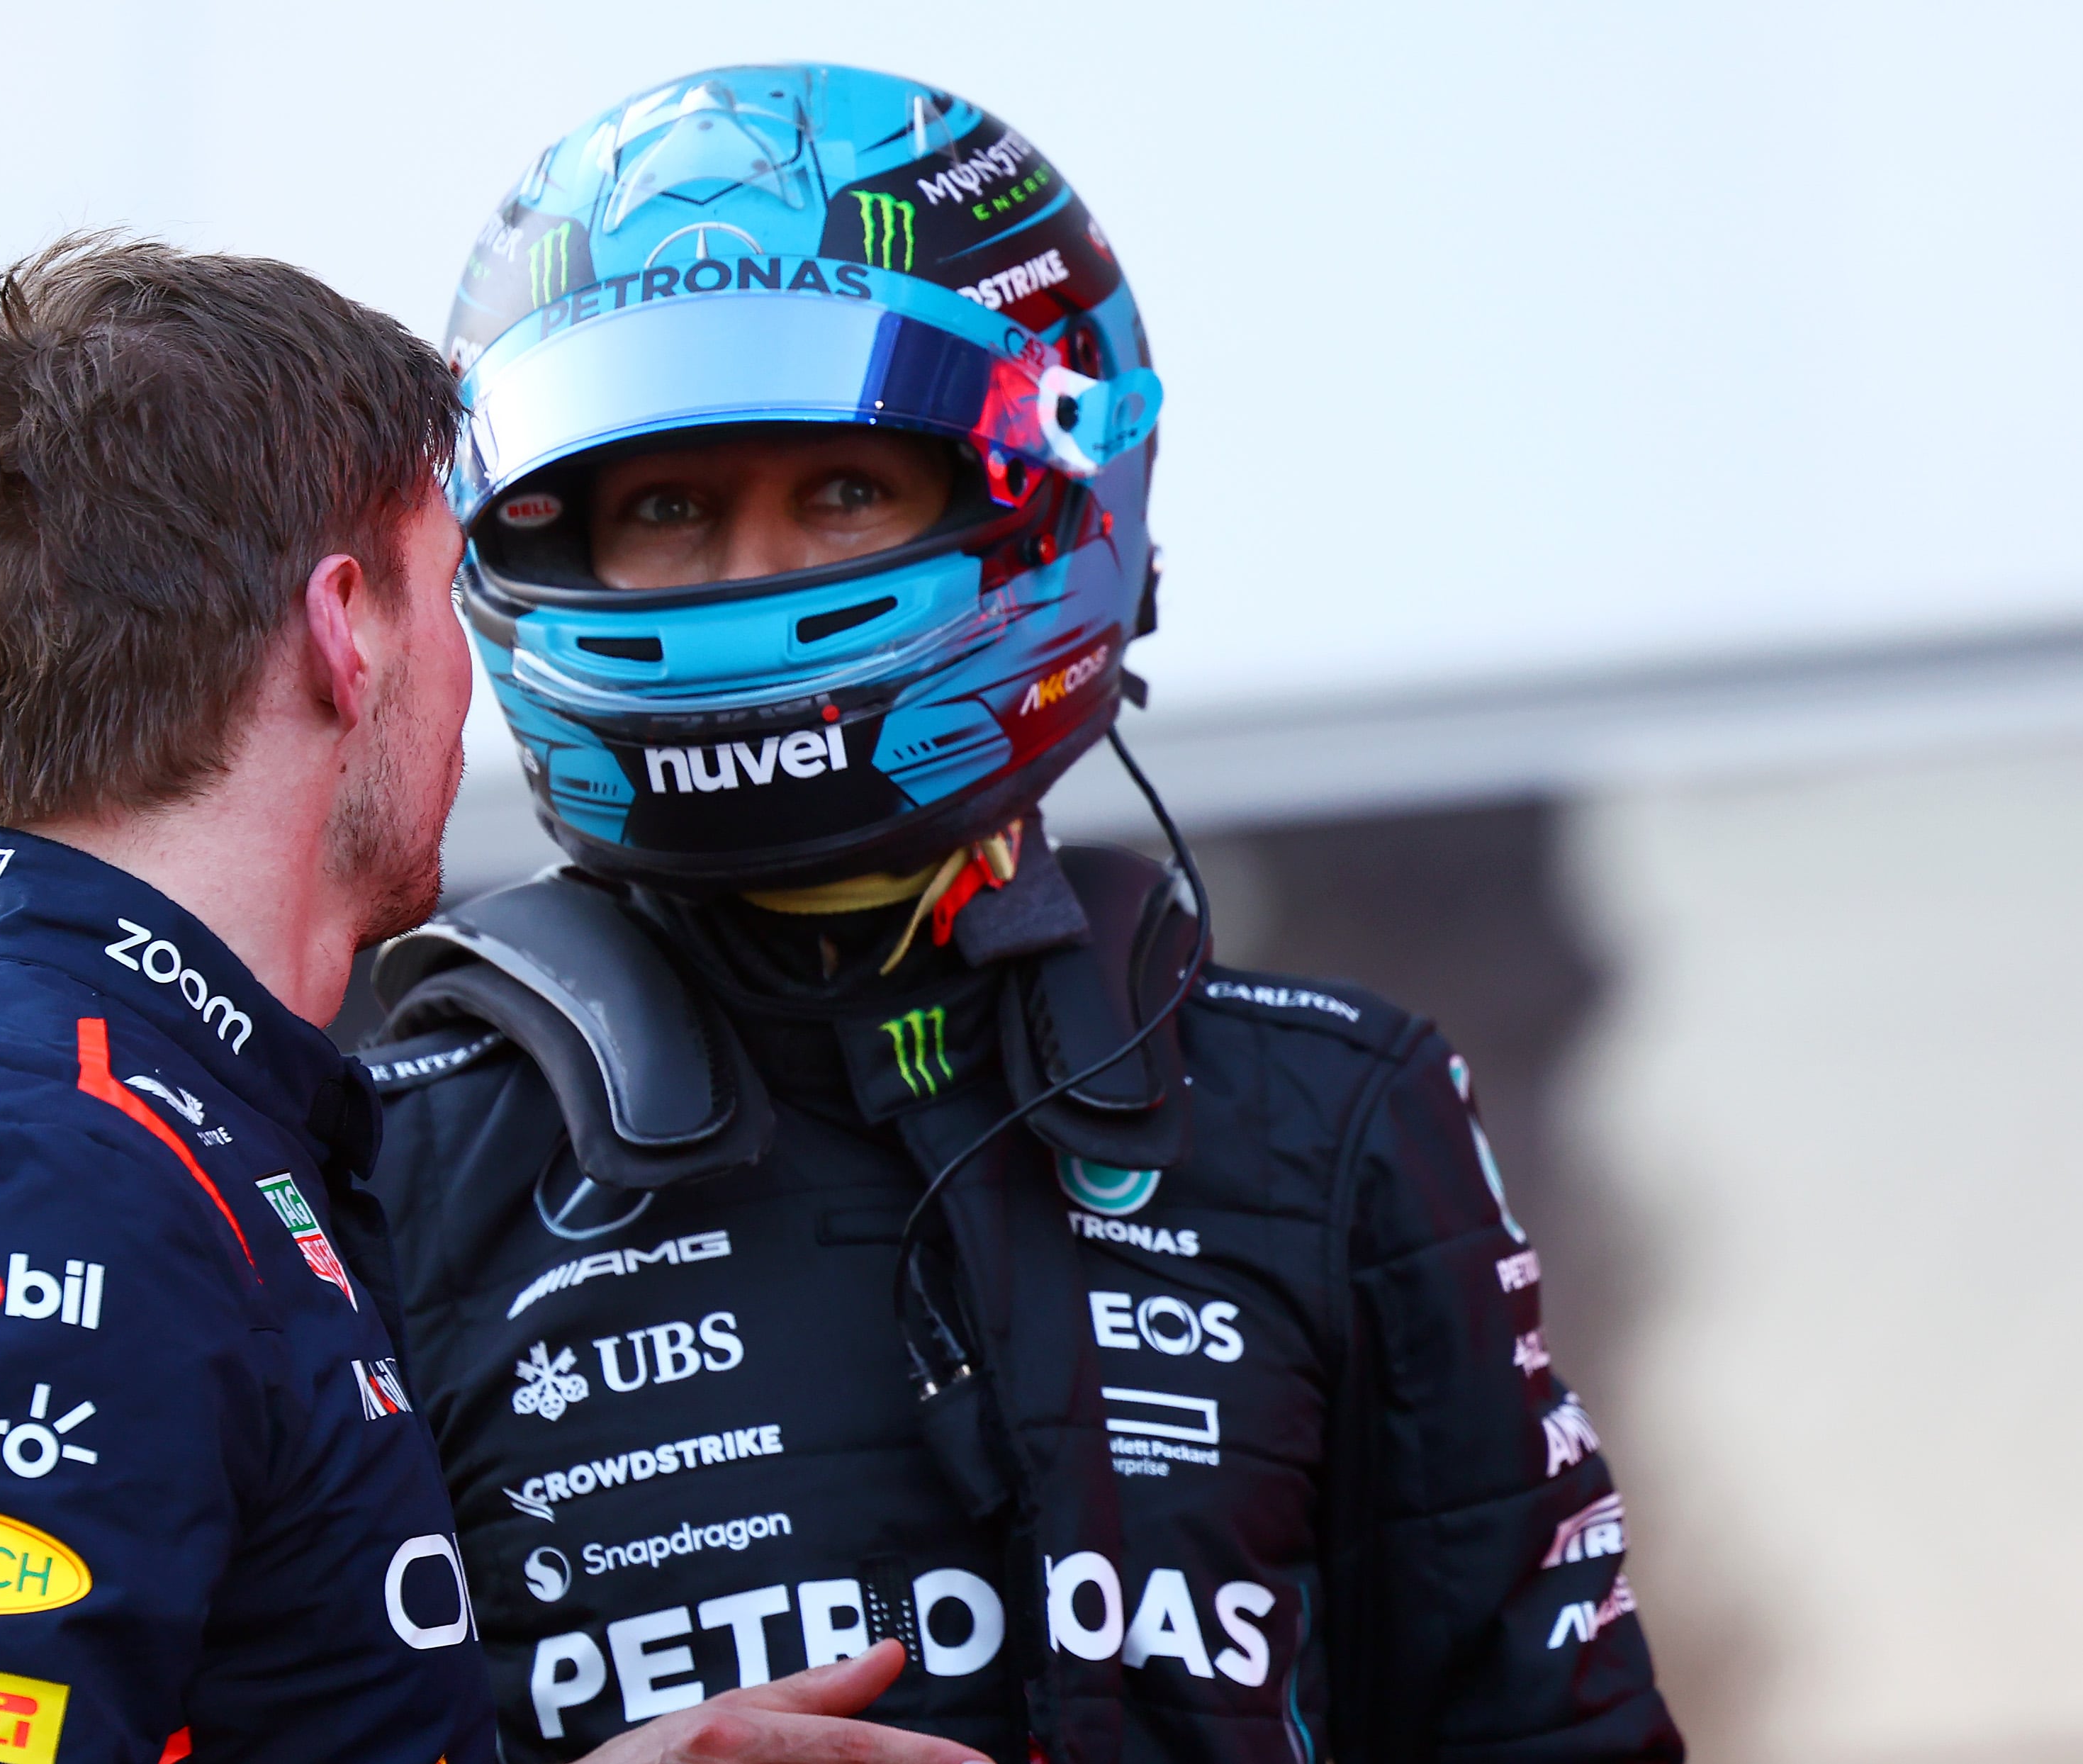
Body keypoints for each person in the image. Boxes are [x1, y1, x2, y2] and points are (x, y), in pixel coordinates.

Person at [356, 67, 1687, 1764]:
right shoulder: (379, 1179)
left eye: (840, 494)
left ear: (1045, 490)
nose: (751, 575)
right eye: (669, 510)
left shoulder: (1330, 1124)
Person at [0, 236, 987, 1764]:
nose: (476, 686)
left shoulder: (146, 1114)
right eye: (447, 594)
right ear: (345, 630)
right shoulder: (29, 1167)